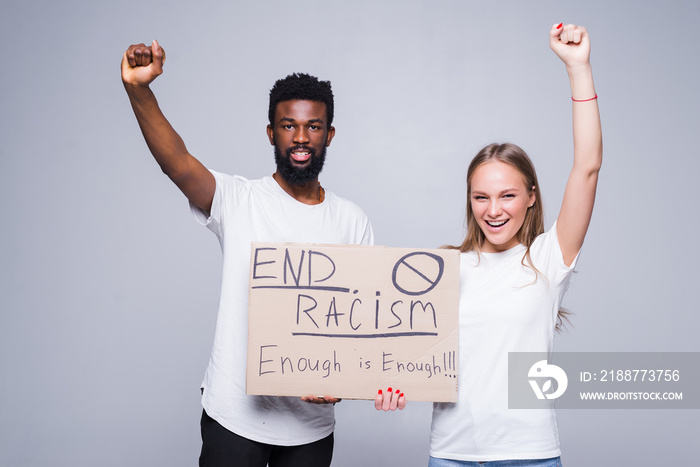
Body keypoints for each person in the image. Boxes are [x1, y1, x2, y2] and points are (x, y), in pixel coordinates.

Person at [121, 40, 374, 467]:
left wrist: (345, 381)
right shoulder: (239, 200)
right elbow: (177, 163)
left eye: (313, 126)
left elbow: (362, 322)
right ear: (271, 132)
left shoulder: (352, 220)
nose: (300, 137)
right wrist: (138, 90)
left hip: (311, 427)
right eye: (288, 125)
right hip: (234, 417)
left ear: (329, 135)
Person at [377, 23, 602, 466]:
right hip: (451, 456)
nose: (493, 210)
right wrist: (392, 385)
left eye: (507, 195)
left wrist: (579, 67)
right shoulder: (442, 269)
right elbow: (409, 356)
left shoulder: (547, 259)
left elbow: (588, 167)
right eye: (481, 197)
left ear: (531, 196)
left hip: (530, 456)